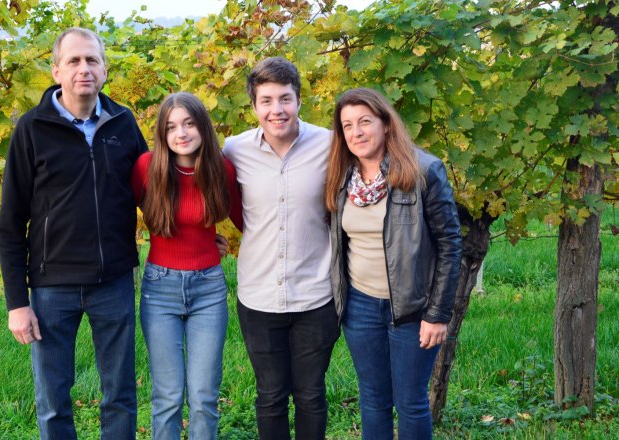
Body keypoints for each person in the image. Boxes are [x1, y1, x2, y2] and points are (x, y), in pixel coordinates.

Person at [0, 27, 148, 439]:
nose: (84, 68)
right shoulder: (31, 129)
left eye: (92, 60)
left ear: (104, 69)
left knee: (119, 395)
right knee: (52, 402)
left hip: (113, 283)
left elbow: (150, 196)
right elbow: (10, 224)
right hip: (51, 289)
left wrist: (199, 233)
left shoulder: (122, 122)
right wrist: (17, 303)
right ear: (56, 70)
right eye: (74, 61)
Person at [325, 87, 463, 440]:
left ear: (386, 124)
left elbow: (450, 245)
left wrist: (438, 314)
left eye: (365, 122)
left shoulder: (424, 171)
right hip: (360, 306)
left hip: (412, 310)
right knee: (372, 399)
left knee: (410, 402)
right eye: (347, 125)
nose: (356, 132)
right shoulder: (341, 178)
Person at [222, 57, 340, 440]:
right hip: (258, 297)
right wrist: (204, 235)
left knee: (311, 395)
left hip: (316, 295)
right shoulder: (234, 149)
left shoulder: (330, 144)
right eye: (267, 100)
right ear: (253, 106)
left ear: (299, 100)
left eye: (285, 99)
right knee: (270, 396)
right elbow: (205, 192)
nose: (277, 110)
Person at [131, 92, 243, 439]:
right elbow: (119, 213)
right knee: (167, 396)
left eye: (189, 123)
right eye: (171, 127)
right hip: (159, 288)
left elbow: (246, 219)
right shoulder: (147, 168)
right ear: (162, 134)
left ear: (202, 127)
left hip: (208, 288)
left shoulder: (220, 168)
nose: (181, 133)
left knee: (203, 396)